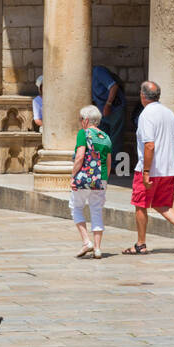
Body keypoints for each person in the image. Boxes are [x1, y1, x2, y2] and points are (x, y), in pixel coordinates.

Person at [123, 80, 174, 256]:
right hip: (167, 169)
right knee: (161, 203)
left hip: (149, 169)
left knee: (140, 205)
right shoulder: (169, 113)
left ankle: (141, 244)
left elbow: (149, 145)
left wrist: (146, 171)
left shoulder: (146, 115)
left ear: (142, 95)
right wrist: (171, 161)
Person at [69, 105, 111, 259]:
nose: (80, 122)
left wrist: (73, 175)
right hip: (102, 178)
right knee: (96, 209)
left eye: (81, 119)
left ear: (86, 120)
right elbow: (108, 161)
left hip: (84, 177)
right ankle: (98, 249)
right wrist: (104, 179)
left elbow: (80, 157)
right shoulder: (106, 137)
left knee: (76, 207)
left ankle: (87, 242)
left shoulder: (83, 133)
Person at [90, 64, 127, 151]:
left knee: (115, 141)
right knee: (102, 141)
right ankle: (105, 163)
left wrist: (108, 105)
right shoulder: (88, 78)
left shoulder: (98, 71)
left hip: (114, 109)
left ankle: (114, 164)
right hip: (102, 112)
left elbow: (113, 87)